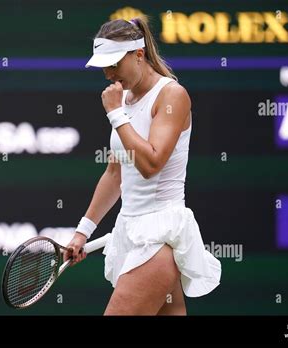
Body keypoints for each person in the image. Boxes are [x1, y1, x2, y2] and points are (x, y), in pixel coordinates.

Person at [64, 17, 221, 315]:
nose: (109, 74)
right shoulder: (123, 99)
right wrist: (82, 232)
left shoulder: (172, 95)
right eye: (104, 67)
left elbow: (151, 163)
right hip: (130, 231)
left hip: (159, 239)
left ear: (139, 54)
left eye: (114, 64)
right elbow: (115, 174)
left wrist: (115, 114)